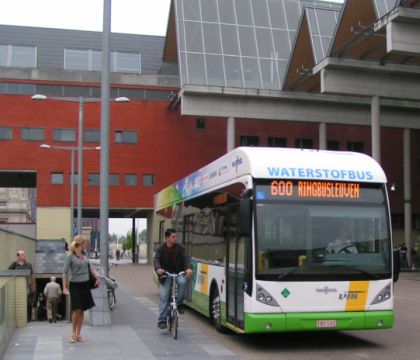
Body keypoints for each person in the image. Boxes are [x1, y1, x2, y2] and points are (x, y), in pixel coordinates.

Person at [62, 234, 99, 343]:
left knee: (82, 310)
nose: (86, 244)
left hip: (85, 284)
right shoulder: (70, 256)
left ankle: (78, 333)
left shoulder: (85, 253)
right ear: (81, 244)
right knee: (76, 309)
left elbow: (90, 267)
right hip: (75, 285)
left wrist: (97, 277)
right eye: (85, 243)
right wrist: (64, 287)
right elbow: (64, 272)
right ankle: (73, 333)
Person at [154, 228, 192, 329]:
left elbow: (186, 258)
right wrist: (158, 269)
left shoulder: (180, 248)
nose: (176, 238)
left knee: (183, 282)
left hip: (178, 272)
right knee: (164, 296)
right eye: (173, 237)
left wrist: (188, 269)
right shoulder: (160, 248)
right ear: (167, 238)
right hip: (165, 274)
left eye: (176, 237)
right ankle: (162, 320)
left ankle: (179, 303)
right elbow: (157, 259)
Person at [8, 250, 36, 321]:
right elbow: (8, 273)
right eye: (22, 255)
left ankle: (28, 318)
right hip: (16, 286)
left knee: (28, 302)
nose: (24, 256)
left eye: (24, 254)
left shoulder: (28, 264)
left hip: (27, 286)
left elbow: (32, 275)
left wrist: (33, 285)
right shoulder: (14, 264)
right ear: (18, 256)